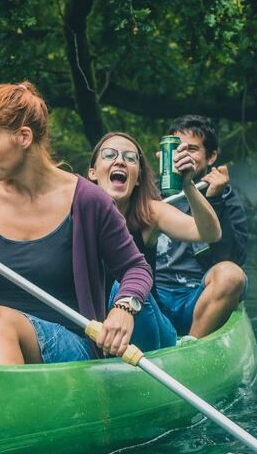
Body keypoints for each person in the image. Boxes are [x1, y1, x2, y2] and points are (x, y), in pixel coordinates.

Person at [0, 82, 152, 365]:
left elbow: (136, 267)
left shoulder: (89, 201)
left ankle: (4, 409)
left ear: (24, 137)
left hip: (71, 343)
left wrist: (124, 307)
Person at [86, 132, 221, 351]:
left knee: (124, 284)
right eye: (109, 154)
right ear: (92, 173)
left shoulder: (149, 213)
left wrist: (188, 185)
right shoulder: (76, 213)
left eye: (130, 158)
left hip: (151, 330)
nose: (120, 160)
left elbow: (209, 233)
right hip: (98, 330)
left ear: (137, 177)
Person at [154, 115, 249, 339]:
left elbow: (232, 259)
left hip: (198, 298)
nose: (184, 156)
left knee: (231, 275)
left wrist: (215, 199)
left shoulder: (225, 196)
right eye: (178, 149)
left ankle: (191, 346)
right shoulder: (146, 193)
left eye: (193, 149)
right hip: (152, 297)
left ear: (211, 156)